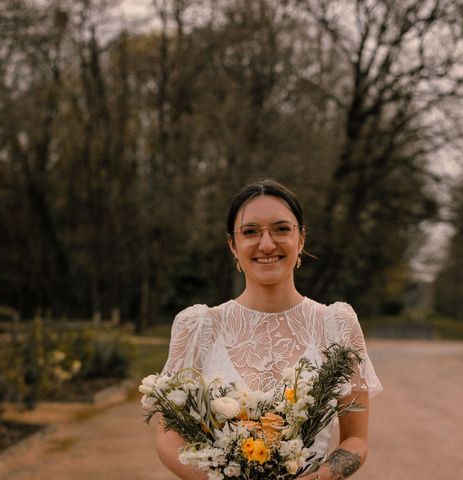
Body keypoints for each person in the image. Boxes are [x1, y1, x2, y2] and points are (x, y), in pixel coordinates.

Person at [156, 179, 382, 480]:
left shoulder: (337, 325)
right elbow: (169, 436)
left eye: (281, 229)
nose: (266, 244)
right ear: (233, 245)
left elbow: (356, 440)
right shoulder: (198, 327)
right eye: (250, 232)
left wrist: (319, 477)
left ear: (301, 239)